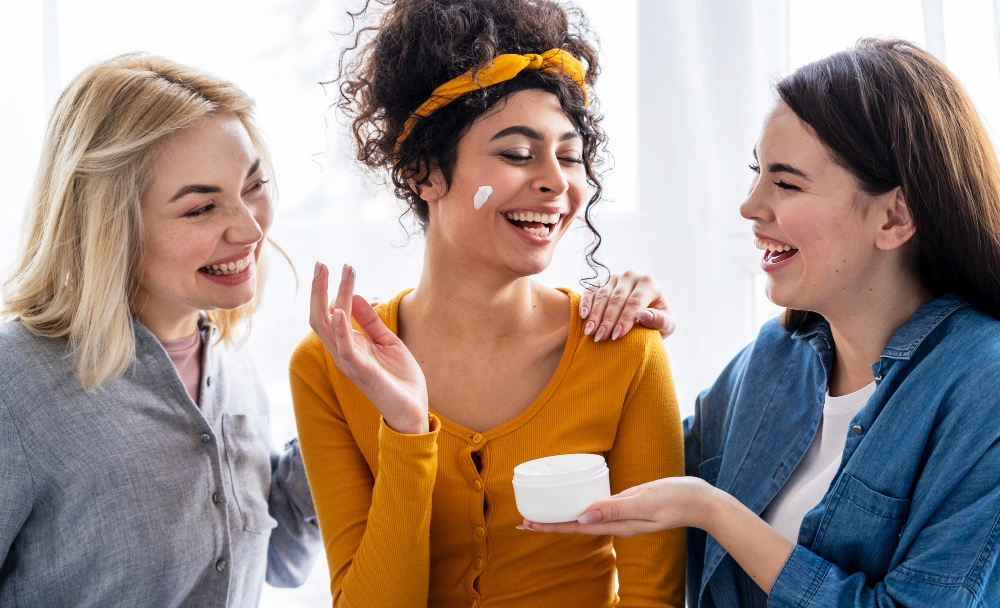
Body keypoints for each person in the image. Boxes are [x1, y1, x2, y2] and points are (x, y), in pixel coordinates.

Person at [525, 38, 1000, 607]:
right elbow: (629, 467)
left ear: (896, 215)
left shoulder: (983, 386)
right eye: (757, 174)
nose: (751, 206)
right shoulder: (775, 356)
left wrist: (715, 511)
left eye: (787, 183)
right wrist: (627, 349)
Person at [289, 0, 686, 606]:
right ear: (424, 172)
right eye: (517, 154)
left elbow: (653, 593)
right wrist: (406, 431)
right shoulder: (329, 367)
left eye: (571, 155)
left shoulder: (626, 351)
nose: (555, 181)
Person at [0, 54, 321, 607]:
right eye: (201, 208)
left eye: (254, 185)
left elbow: (280, 559)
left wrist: (344, 402)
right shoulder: (14, 388)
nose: (249, 228)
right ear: (110, 224)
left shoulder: (231, 362)